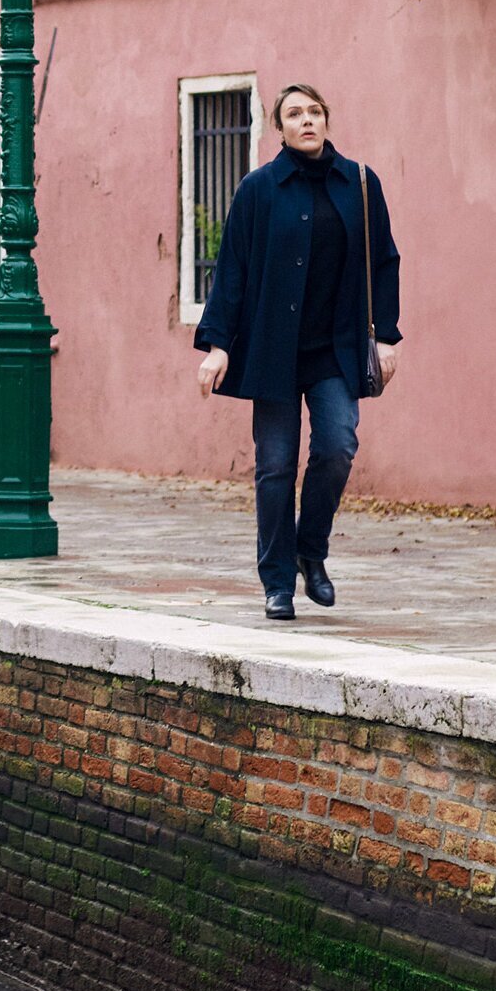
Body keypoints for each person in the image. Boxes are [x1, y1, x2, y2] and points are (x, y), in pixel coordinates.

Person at [192, 84, 401, 620]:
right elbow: (232, 270)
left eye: (314, 112)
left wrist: (386, 337)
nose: (306, 121)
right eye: (294, 114)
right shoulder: (258, 190)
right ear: (278, 128)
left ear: (326, 120)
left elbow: (384, 261)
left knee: (338, 447)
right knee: (276, 465)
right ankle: (278, 581)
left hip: (335, 347)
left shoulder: (359, 183)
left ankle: (312, 550)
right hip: (273, 348)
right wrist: (218, 346)